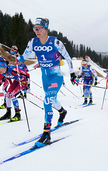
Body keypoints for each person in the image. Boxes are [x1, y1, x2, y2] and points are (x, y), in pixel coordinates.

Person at [17, 17, 76, 148]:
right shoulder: (33, 42)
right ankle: (62, 112)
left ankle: (46, 133)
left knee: (47, 100)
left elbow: (67, 56)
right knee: (52, 99)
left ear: (45, 29)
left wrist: (72, 73)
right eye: (35, 28)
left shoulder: (55, 42)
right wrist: (17, 58)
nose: (36, 31)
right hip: (45, 77)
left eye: (39, 28)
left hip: (56, 76)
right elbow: (24, 56)